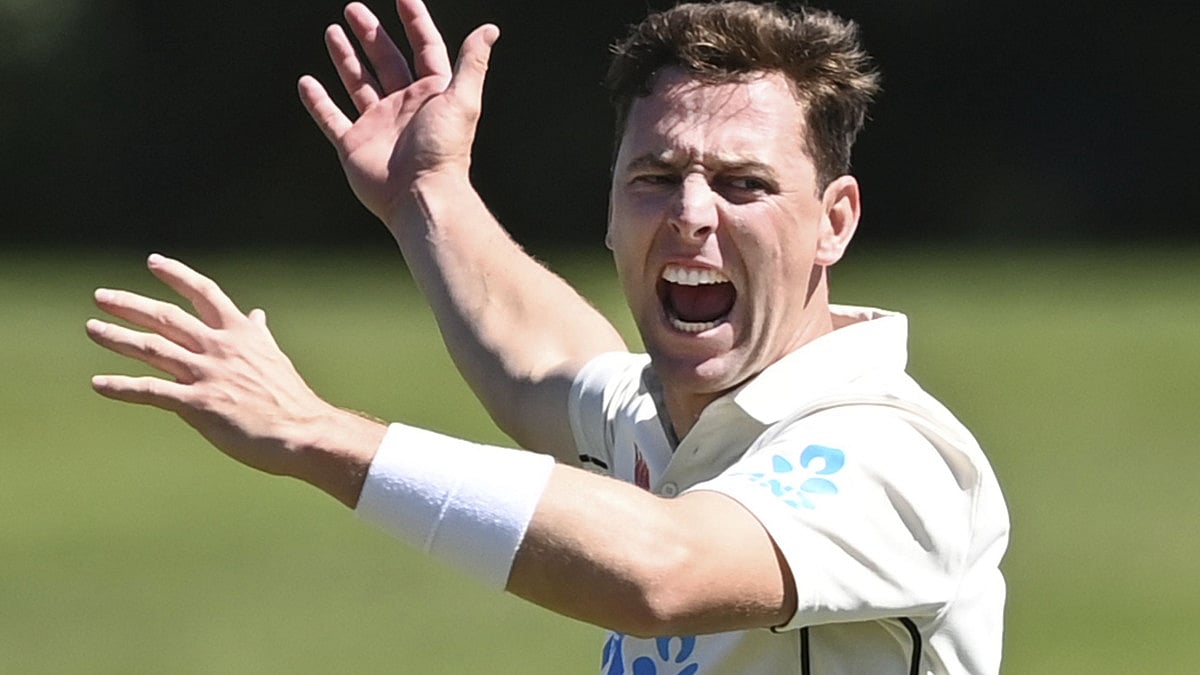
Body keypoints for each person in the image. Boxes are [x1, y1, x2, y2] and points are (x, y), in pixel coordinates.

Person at [86, 0, 1009, 672]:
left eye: (743, 184)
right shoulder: (673, 414)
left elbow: (663, 569)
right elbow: (547, 359)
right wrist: (428, 196)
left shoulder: (888, 449)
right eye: (655, 176)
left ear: (834, 221)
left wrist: (317, 433)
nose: (691, 213)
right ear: (610, 205)